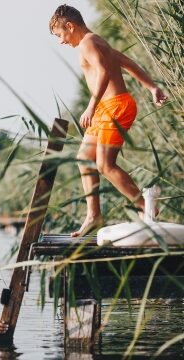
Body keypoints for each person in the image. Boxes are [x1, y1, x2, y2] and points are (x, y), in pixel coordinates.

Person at [49, 4, 168, 237]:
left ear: (70, 26)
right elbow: (128, 63)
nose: (61, 41)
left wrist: (90, 107)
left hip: (114, 107)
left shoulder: (87, 43)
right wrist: (152, 87)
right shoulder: (97, 41)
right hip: (106, 108)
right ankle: (94, 216)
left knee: (105, 165)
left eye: (60, 35)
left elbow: (103, 71)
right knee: (84, 157)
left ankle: (146, 207)